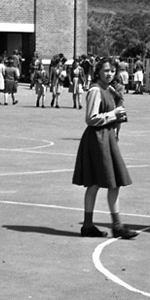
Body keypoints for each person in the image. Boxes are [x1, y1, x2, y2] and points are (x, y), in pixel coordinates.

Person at [72, 57, 137, 240]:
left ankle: (104, 225)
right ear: (99, 71)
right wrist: (112, 114)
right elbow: (91, 118)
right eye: (106, 71)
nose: (109, 74)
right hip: (97, 138)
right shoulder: (95, 90)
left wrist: (118, 119)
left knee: (113, 182)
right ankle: (95, 225)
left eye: (112, 71)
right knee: (98, 182)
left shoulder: (109, 89)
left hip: (107, 137)